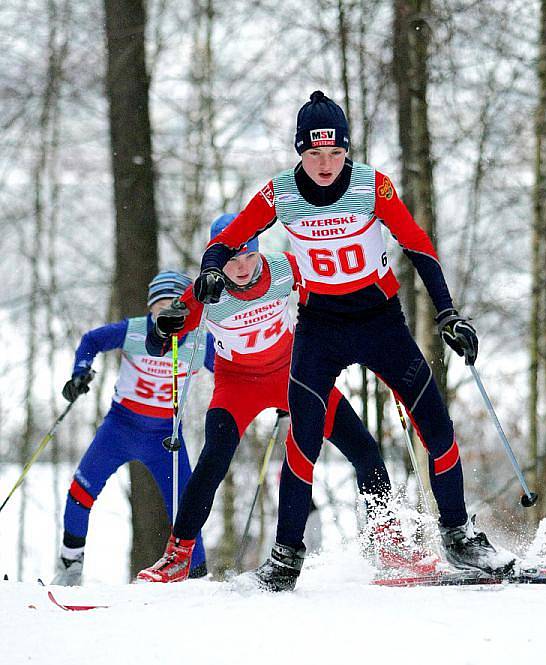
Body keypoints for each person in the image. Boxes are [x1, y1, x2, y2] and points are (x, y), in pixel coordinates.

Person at [193, 90, 516, 591]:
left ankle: (459, 535)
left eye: (335, 153)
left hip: (380, 321)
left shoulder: (373, 187)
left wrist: (448, 313)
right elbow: (227, 238)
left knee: (436, 424)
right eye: (314, 154)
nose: (325, 164)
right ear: (300, 153)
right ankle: (284, 559)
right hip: (320, 325)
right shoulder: (279, 193)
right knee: (302, 440)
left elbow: (418, 245)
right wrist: (212, 269)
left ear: (348, 151)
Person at [137, 216, 396, 586]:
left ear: (259, 250)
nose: (240, 268)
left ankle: (390, 545)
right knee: (214, 460)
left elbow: (336, 283)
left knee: (364, 448)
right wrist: (163, 328)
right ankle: (177, 557)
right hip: (237, 385)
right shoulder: (205, 291)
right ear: (215, 258)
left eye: (247, 257)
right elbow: (158, 345)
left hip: (295, 375)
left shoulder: (283, 267)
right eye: (230, 259)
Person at [52, 271, 215, 586]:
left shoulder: (198, 341)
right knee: (79, 493)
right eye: (160, 307)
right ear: (150, 308)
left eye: (176, 307)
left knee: (187, 509)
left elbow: (231, 370)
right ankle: (70, 568)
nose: (167, 314)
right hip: (120, 428)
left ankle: (197, 578)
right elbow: (92, 340)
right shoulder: (135, 330)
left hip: (165, 438)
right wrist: (79, 373)